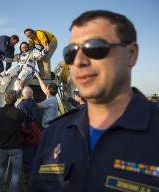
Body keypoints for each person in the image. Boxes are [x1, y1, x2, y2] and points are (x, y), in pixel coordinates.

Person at [29, 10, 159, 191]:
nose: (79, 61)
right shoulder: (53, 135)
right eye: (70, 52)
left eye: (96, 48)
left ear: (131, 54)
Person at [0, 90, 25, 192]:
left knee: (2, 168)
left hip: (2, 145)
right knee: (16, 172)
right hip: (16, 146)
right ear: (16, 99)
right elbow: (23, 125)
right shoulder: (20, 113)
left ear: (5, 98)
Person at [17, 87, 40, 184]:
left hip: (27, 134)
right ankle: (36, 176)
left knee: (27, 159)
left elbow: (21, 120)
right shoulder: (34, 103)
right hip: (35, 132)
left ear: (23, 95)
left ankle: (30, 181)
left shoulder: (21, 105)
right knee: (35, 156)